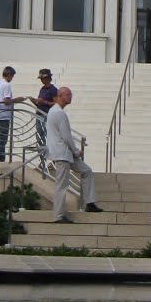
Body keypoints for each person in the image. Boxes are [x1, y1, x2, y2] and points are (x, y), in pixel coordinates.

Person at [45, 86, 103, 222]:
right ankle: (58, 215)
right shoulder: (58, 113)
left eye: (70, 94)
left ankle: (90, 202)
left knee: (86, 171)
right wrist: (76, 151)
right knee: (62, 185)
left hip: (65, 153)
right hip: (62, 153)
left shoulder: (55, 112)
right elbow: (66, 136)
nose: (70, 97)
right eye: (68, 94)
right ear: (60, 96)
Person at [32, 68, 58, 172]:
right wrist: (35, 101)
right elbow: (40, 103)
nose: (42, 81)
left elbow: (56, 103)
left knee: (47, 138)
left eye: (44, 78)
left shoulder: (53, 89)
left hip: (47, 116)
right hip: (39, 115)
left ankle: (51, 161)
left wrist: (45, 102)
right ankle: (42, 162)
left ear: (48, 78)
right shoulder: (42, 89)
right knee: (40, 139)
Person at [0, 65, 16, 160]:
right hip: (3, 115)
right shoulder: (6, 84)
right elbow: (6, 100)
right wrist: (18, 99)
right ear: (9, 75)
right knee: (2, 139)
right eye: (12, 76)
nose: (12, 78)